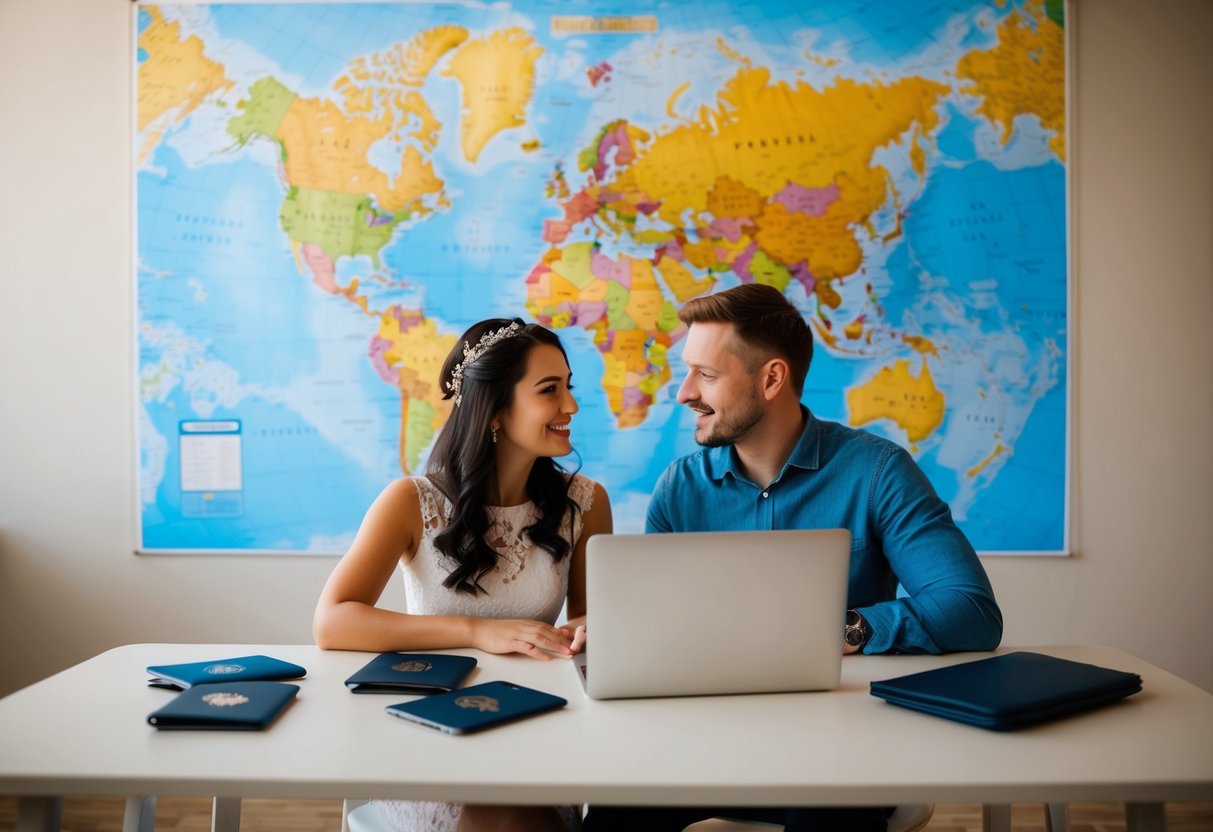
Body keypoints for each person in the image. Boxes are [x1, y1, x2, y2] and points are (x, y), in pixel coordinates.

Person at [582, 283, 1002, 832]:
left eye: (706, 374)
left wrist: (841, 630)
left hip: (837, 747)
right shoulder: (678, 489)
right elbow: (659, 628)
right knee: (611, 818)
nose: (684, 392)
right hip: (696, 742)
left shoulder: (878, 472)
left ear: (772, 379)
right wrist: (617, 633)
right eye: (688, 372)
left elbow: (971, 609)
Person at [314, 317, 612, 832]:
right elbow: (333, 622)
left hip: (537, 726)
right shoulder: (410, 501)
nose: (571, 406)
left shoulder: (585, 502)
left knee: (522, 805)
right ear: (493, 409)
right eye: (549, 390)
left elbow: (590, 619)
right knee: (503, 811)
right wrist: (476, 632)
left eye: (569, 386)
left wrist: (585, 630)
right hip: (433, 732)